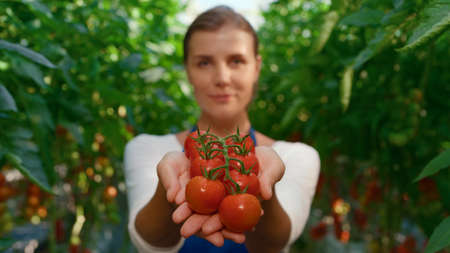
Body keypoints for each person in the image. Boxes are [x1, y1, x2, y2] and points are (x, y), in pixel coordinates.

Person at [124, 5, 320, 253]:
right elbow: (151, 242)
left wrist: (261, 189)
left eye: (236, 61)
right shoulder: (150, 150)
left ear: (256, 68)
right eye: (204, 63)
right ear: (188, 71)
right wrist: (168, 189)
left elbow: (273, 244)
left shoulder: (294, 157)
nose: (222, 78)